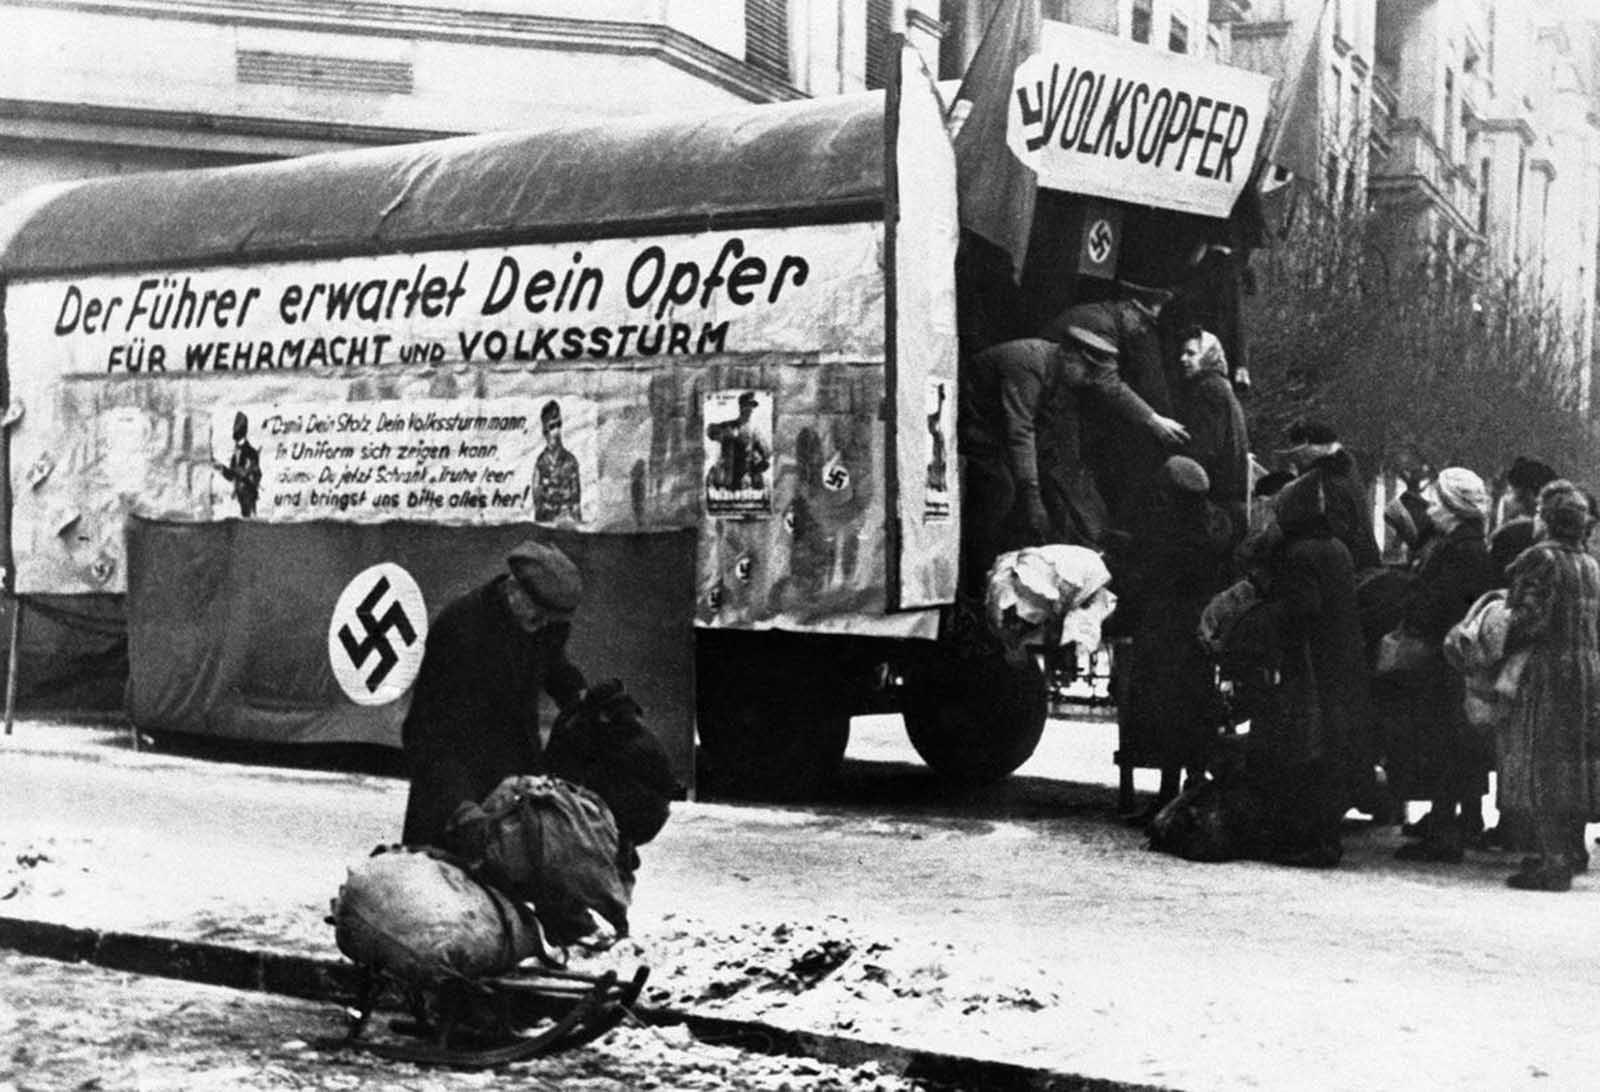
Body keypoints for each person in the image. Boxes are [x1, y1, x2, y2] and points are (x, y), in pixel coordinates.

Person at [958, 325, 1187, 594]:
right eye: (1087, 372)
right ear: (1070, 357)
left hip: (999, 431)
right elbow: (1020, 432)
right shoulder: (1027, 365)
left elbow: (1050, 437)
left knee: (1050, 490)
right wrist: (1033, 498)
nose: (1088, 381)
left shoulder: (1058, 373)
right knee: (1001, 491)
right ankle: (974, 586)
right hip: (974, 424)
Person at [400, 540, 588, 847]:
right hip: (455, 788)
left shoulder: (544, 624)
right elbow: (426, 731)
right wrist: (460, 807)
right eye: (537, 616)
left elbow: (553, 664)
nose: (542, 626)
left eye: (549, 620)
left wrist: (581, 697)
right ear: (512, 589)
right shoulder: (460, 628)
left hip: (514, 778)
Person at [1242, 469, 1370, 867]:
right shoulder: (1337, 547)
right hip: (1341, 661)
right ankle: (1325, 837)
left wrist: (1267, 614)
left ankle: (1311, 840)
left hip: (1311, 664)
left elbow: (1303, 608)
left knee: (1305, 749)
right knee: (1330, 750)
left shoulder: (1300, 553)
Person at [1114, 455, 1235, 819]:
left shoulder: (1166, 528)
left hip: (1165, 630)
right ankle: (1192, 790)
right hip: (1203, 627)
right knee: (1197, 710)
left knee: (1163, 711)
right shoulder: (1219, 522)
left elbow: (1145, 576)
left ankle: (1167, 796)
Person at [1499, 481, 1600, 890]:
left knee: (1544, 762)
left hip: (1548, 672)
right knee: (1575, 762)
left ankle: (1552, 860)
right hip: (1587, 671)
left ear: (1548, 518)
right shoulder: (1590, 564)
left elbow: (1529, 618)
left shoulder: (1541, 558)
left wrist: (1499, 627)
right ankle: (1572, 851)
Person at [1390, 468, 1494, 863]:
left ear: (1453, 507)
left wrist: (1413, 603)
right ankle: (1445, 821)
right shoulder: (1466, 544)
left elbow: (1444, 602)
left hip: (1444, 658)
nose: (1430, 508)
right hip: (1448, 656)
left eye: (1437, 501)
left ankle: (1444, 832)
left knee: (1443, 741)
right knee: (1448, 741)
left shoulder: (1459, 550)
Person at [1175, 326, 1250, 540]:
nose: (1183, 359)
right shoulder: (1222, 387)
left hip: (1216, 508)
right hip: (1231, 506)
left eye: (1191, 353)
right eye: (1183, 353)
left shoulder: (1208, 389)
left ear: (1209, 356)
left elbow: (1204, 450)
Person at [1276, 420, 1381, 571]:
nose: (1295, 460)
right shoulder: (1344, 469)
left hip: (1348, 566)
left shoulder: (1327, 479)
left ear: (1308, 447)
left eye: (1296, 454)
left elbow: (1338, 529)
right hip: (1357, 563)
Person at [1489, 457, 1559, 586]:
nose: (1505, 500)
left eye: (1511, 493)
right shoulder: (1557, 538)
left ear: (1530, 496)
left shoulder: (1511, 537)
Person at [706, 391, 771, 492]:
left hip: (744, 481)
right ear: (740, 407)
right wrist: (725, 434)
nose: (750, 410)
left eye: (751, 407)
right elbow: (710, 430)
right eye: (747, 406)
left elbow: (767, 453)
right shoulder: (729, 425)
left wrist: (756, 468)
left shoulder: (754, 432)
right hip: (726, 479)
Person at [533, 400, 582, 523]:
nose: (557, 431)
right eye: (552, 427)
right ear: (545, 432)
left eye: (559, 425)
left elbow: (576, 505)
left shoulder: (571, 462)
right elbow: (537, 506)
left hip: (567, 526)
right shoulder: (541, 464)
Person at [213, 411, 261, 518]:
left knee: (250, 519)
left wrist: (244, 474)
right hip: (240, 494)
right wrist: (220, 467)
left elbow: (256, 474)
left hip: (248, 494)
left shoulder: (251, 452)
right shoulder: (235, 455)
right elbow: (231, 475)